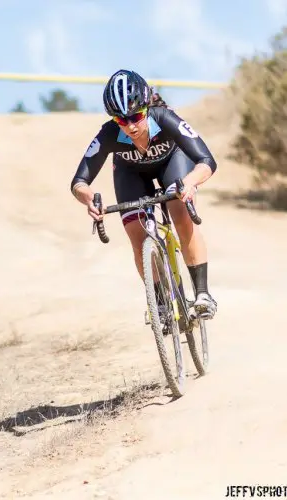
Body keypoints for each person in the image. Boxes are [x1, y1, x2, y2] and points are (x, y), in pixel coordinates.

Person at [69, 69, 218, 321]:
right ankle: (160, 301)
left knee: (181, 215)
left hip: (172, 163)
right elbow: (79, 182)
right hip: (131, 173)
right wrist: (89, 198)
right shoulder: (108, 134)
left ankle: (202, 294)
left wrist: (190, 182)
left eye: (136, 117)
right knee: (137, 235)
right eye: (121, 121)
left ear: (147, 107)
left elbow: (206, 161)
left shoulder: (164, 118)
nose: (130, 126)